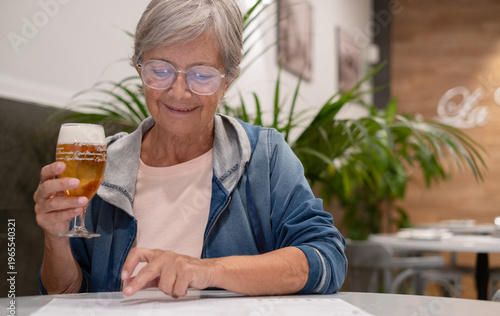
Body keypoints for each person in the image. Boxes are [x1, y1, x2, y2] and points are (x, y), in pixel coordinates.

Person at [33, 0, 347, 298]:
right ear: (138, 67)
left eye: (202, 75)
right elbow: (66, 297)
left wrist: (209, 271)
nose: (179, 92)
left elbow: (325, 258)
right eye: (160, 70)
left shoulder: (264, 156)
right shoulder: (102, 166)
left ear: (228, 81)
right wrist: (56, 237)